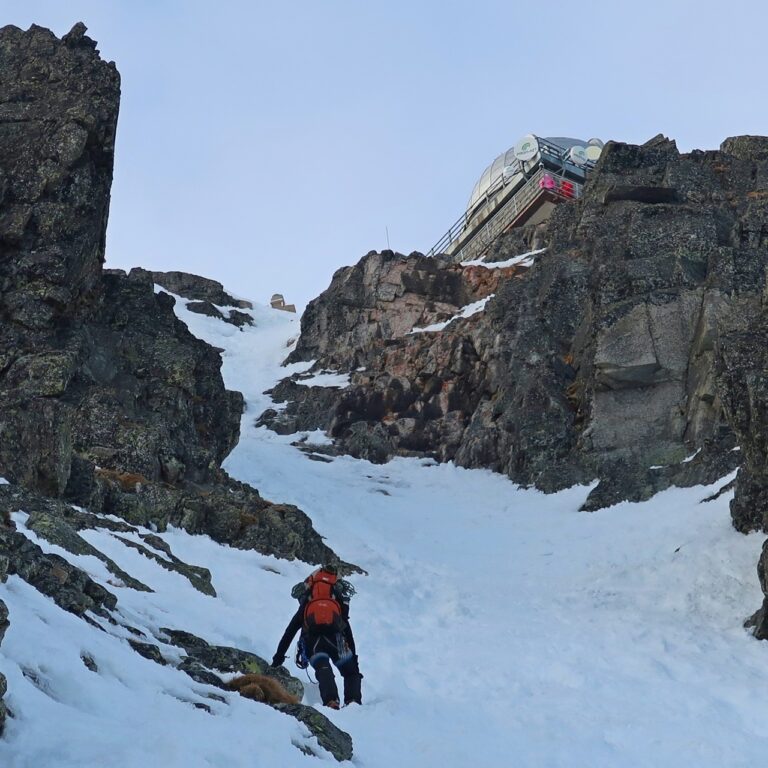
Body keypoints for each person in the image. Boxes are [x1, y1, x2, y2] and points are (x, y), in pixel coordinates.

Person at [271, 564, 362, 710]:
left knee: (323, 668)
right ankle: (353, 702)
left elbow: (290, 632)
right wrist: (354, 654)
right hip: (336, 641)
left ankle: (331, 701)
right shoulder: (337, 602)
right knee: (351, 673)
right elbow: (347, 628)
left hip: (312, 642)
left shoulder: (307, 603)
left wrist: (278, 659)